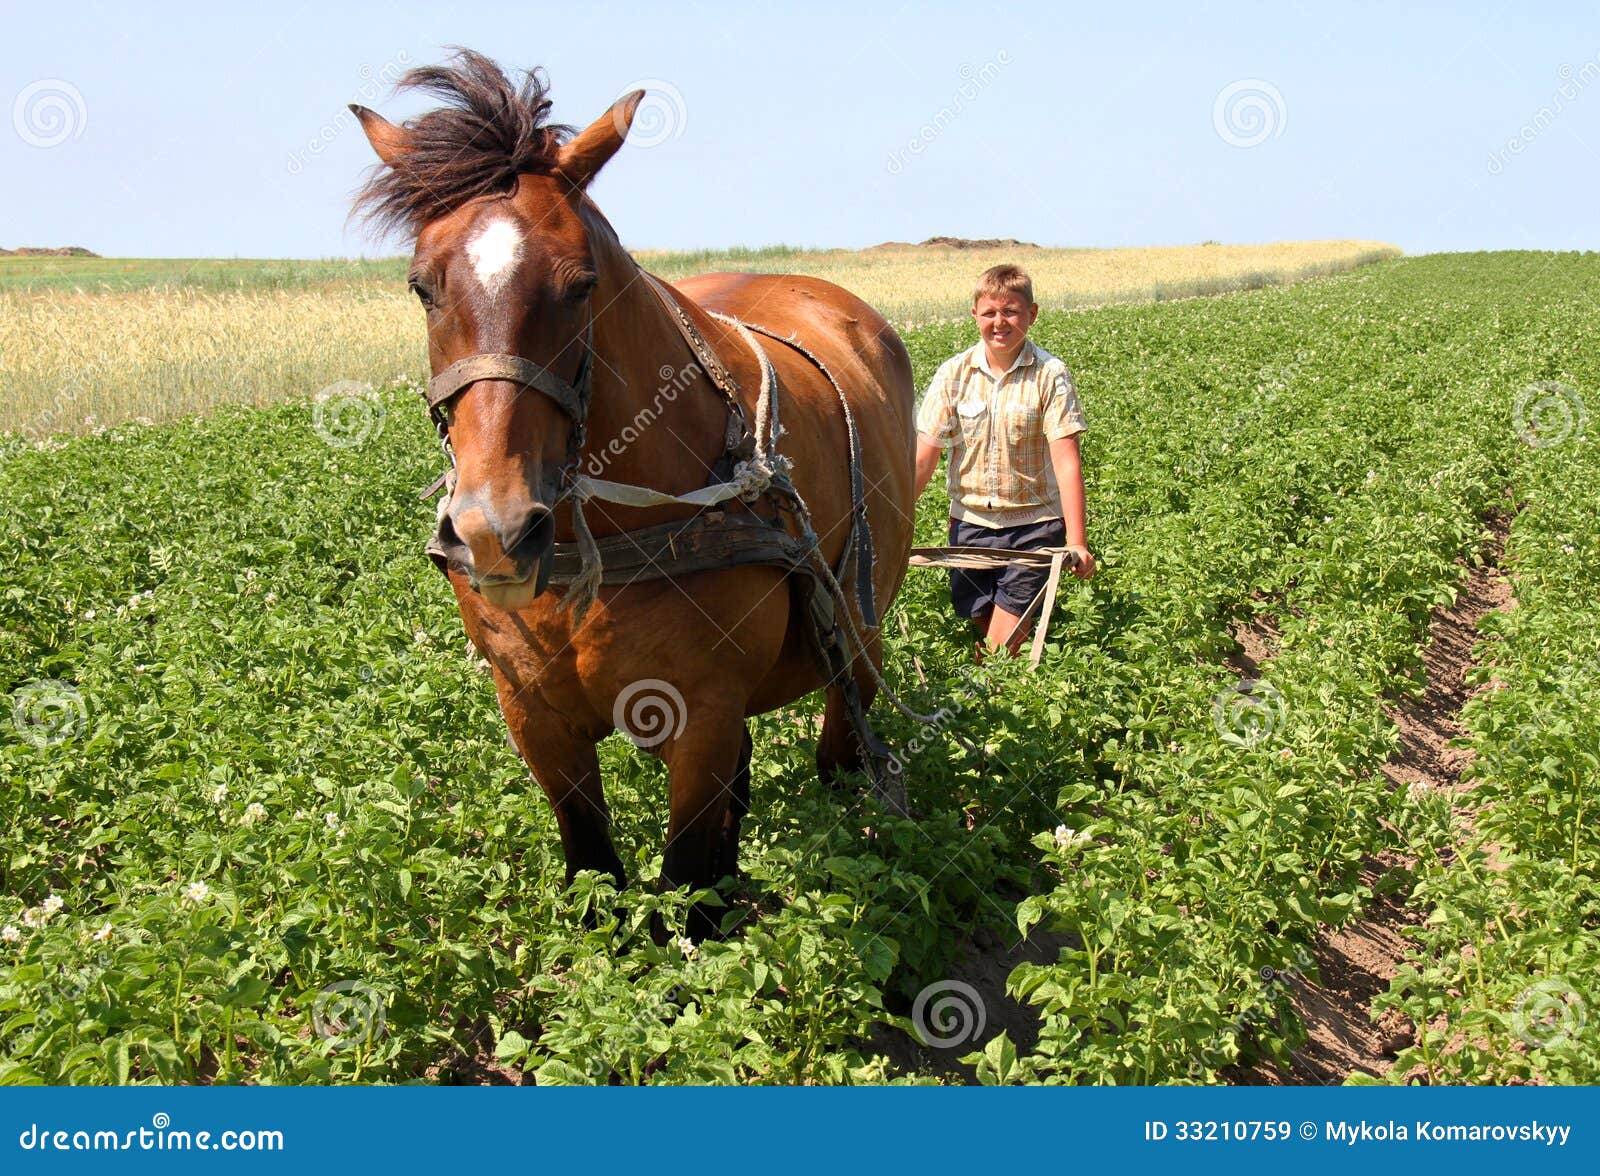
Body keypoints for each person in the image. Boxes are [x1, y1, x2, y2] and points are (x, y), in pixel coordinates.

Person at [913, 264, 1095, 660]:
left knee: (999, 647)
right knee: (989, 637)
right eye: (990, 312)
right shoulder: (953, 374)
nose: (1000, 322)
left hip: (1034, 530)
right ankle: (1015, 700)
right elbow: (924, 457)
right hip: (970, 528)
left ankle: (981, 707)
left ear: (1032, 314)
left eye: (1011, 311)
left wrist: (1076, 540)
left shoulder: (1050, 374)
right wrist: (888, 521)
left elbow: (1066, 461)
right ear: (975, 314)